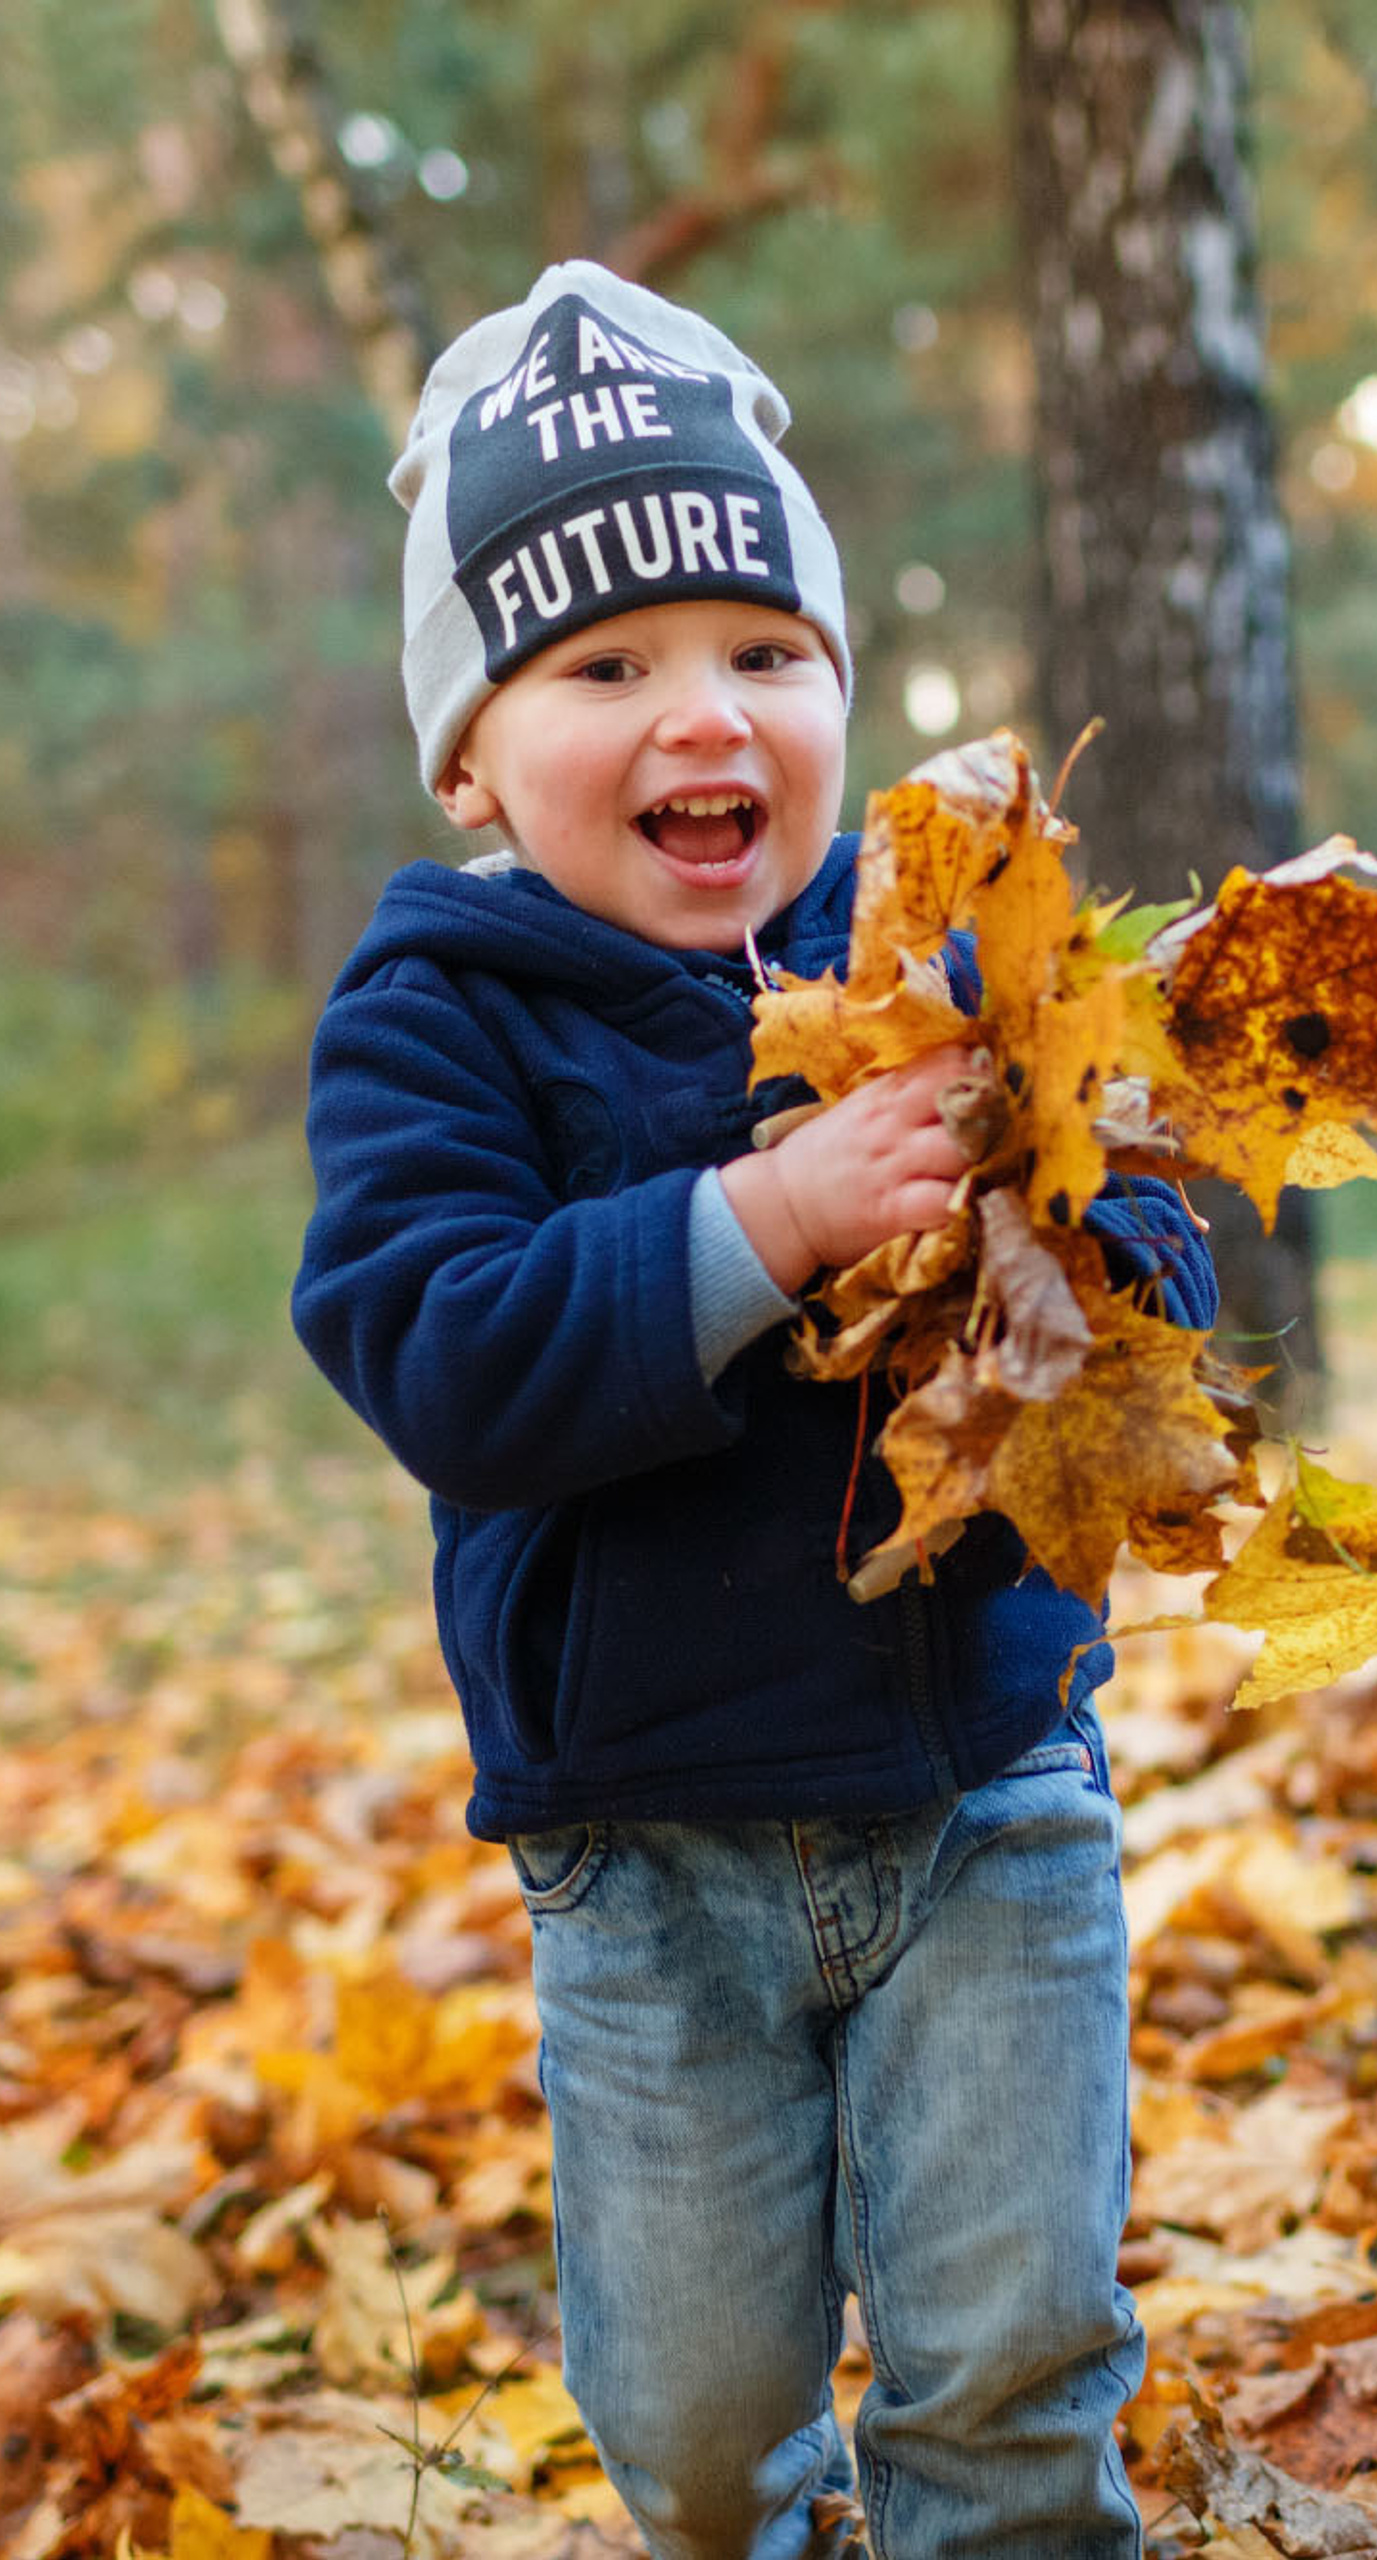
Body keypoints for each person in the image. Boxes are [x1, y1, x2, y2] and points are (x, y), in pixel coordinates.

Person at [292, 263, 1213, 2560]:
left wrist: (1080, 1255)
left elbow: (1151, 1244)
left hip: (981, 1785)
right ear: (472, 752)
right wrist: (766, 1215)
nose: (700, 710)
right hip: (645, 1849)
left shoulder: (951, 947)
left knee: (1008, 2355)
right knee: (699, 2426)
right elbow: (437, 1341)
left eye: (760, 652)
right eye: (604, 669)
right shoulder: (442, 1008)